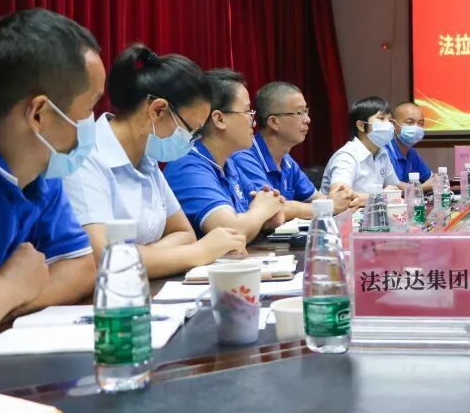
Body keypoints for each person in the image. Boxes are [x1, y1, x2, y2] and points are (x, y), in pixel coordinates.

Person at [0, 9, 103, 341]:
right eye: (89, 108)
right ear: (40, 114)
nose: (91, 123)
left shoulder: (42, 173)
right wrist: (10, 284)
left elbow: (81, 268)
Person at [63, 45, 246, 279]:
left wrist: (134, 255)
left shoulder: (147, 158)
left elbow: (184, 234)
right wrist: (200, 252)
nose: (192, 140)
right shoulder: (86, 156)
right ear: (157, 110)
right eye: (191, 130)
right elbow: (105, 260)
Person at [164, 70, 285, 243]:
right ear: (219, 119)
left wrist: (263, 214)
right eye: (247, 112)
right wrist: (261, 212)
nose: (253, 122)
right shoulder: (187, 166)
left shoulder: (228, 164)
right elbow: (233, 234)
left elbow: (274, 213)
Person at [233, 81, 347, 220]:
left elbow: (316, 198)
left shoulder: (286, 160)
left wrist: (345, 199)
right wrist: (330, 206)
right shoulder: (244, 157)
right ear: (273, 122)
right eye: (299, 113)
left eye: (305, 111)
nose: (307, 119)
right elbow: (272, 210)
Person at [321, 96, 400, 205]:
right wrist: (381, 197)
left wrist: (369, 198)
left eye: (390, 120)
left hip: (369, 213)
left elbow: (394, 188)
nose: (389, 124)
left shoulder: (382, 153)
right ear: (361, 125)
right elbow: (340, 196)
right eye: (381, 118)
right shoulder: (347, 156)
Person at [387, 100, 433, 191]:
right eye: (410, 122)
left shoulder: (411, 153)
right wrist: (422, 187)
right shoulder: (385, 151)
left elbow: (431, 179)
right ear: (393, 124)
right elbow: (394, 187)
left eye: (421, 123)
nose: (416, 127)